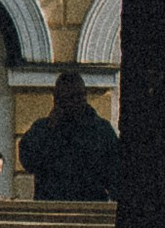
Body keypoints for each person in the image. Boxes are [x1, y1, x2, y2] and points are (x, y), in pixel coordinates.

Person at [20, 68, 120, 200]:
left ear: (84, 97)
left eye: (76, 97)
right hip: (50, 208)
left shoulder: (101, 130)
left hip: (89, 208)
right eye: (63, 98)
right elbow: (28, 162)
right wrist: (50, 128)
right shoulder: (42, 129)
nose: (71, 103)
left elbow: (116, 175)